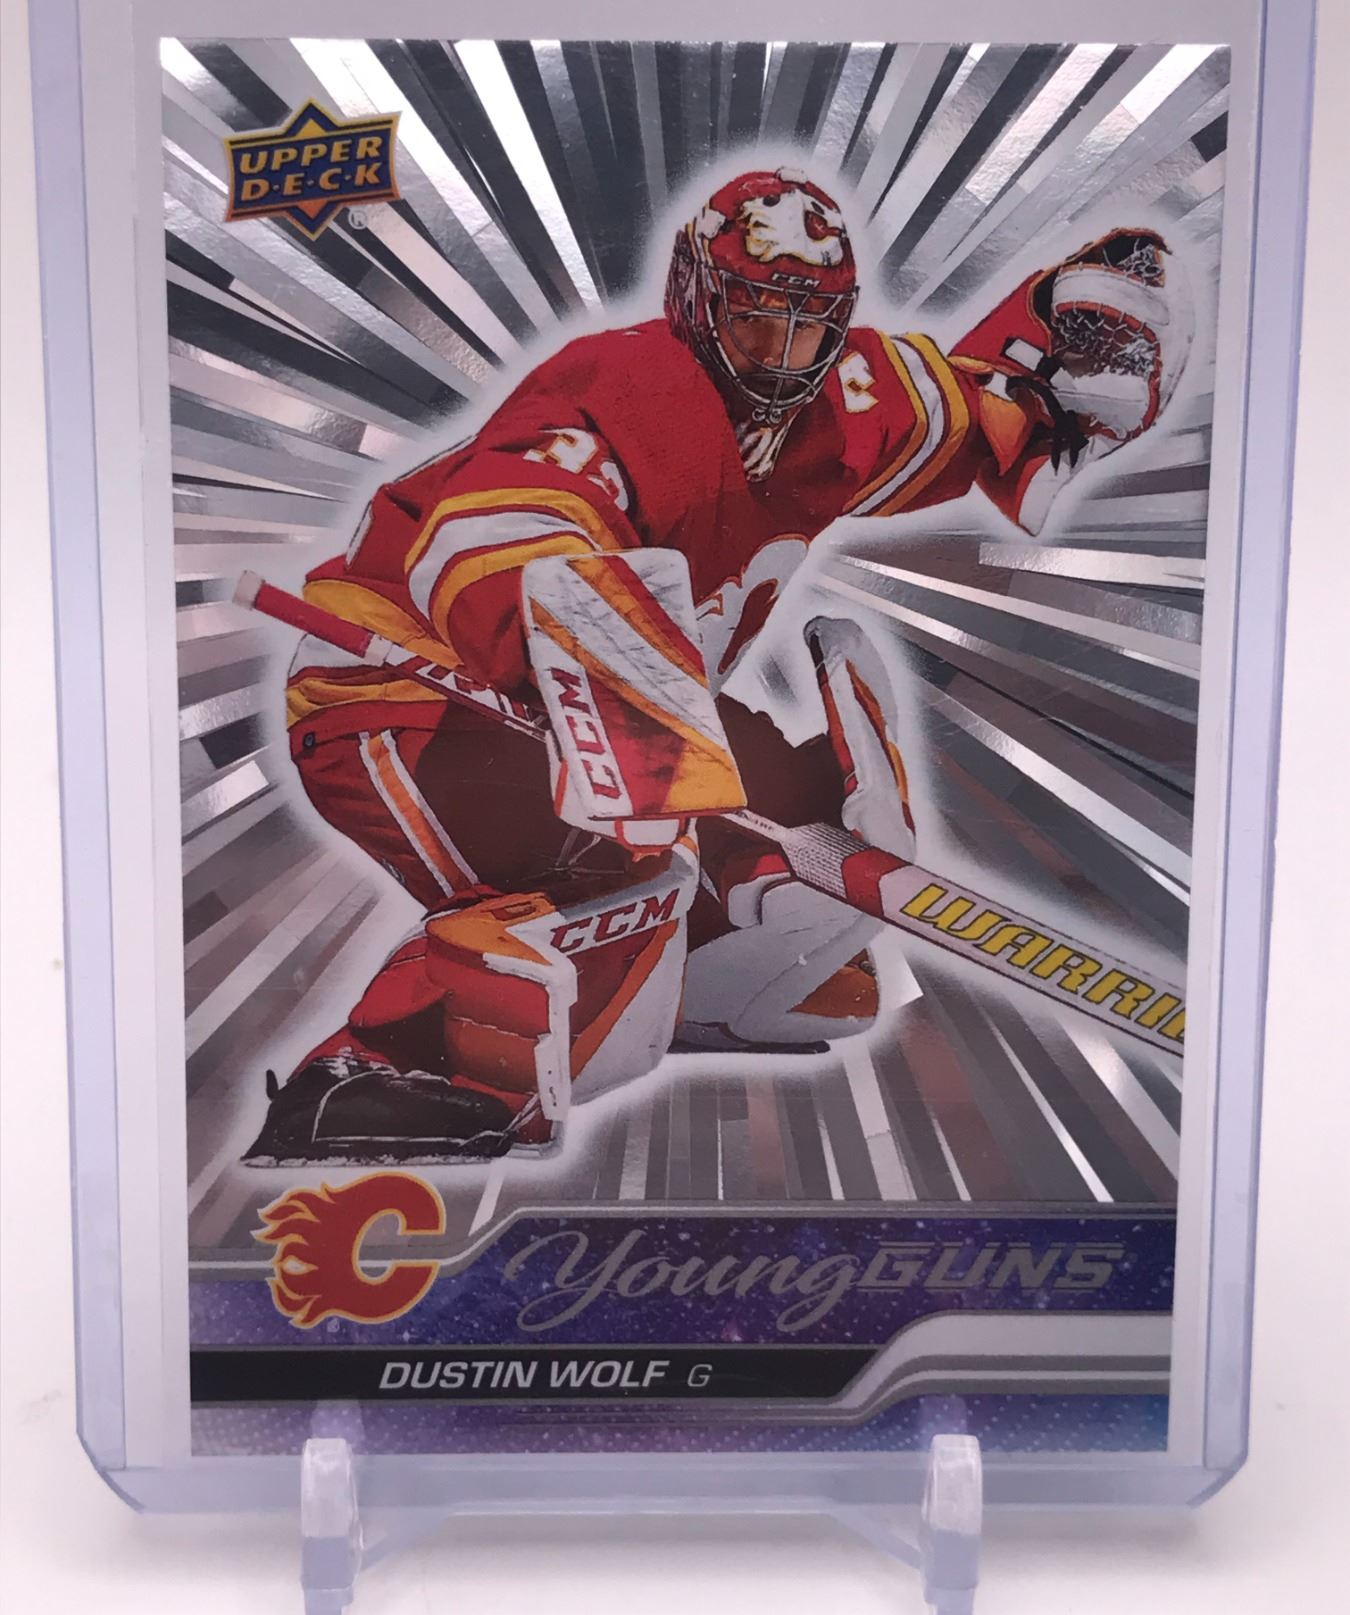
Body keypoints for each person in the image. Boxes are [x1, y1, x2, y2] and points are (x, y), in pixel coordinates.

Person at [243, 168, 1191, 1166]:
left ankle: (712, 975)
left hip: (635, 691)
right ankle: (389, 1070)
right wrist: (592, 682)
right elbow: (501, 533)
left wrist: (1059, 373)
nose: (781, 358)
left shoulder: (846, 401)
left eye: (807, 331)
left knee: (803, 806)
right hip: (407, 691)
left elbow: (969, 404)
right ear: (698, 300)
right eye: (754, 324)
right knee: (613, 865)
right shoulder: (621, 386)